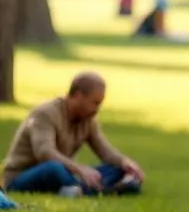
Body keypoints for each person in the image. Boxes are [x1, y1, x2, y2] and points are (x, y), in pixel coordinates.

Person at [2, 73, 145, 197]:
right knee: (54, 168)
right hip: (22, 176)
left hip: (65, 175)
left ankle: (79, 189)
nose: (97, 109)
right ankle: (105, 189)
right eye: (94, 103)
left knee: (116, 169)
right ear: (78, 95)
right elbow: (44, 153)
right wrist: (80, 169)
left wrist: (125, 163)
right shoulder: (46, 113)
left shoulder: (88, 120)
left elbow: (105, 152)